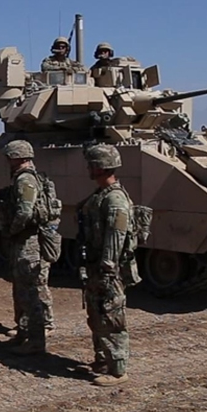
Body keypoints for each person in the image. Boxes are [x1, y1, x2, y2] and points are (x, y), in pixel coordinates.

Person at [78, 144, 132, 386]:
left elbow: (115, 237)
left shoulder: (114, 199)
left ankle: (118, 371)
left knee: (111, 318)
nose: (88, 169)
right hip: (95, 265)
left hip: (107, 270)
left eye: (91, 165)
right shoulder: (100, 195)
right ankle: (102, 359)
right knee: (97, 315)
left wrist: (107, 269)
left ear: (100, 167)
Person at [0, 140, 55, 355]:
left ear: (16, 157)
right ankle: (23, 332)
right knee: (21, 288)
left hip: (28, 240)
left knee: (30, 291)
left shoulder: (25, 179)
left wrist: (12, 230)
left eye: (9, 157)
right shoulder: (28, 177)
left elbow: (25, 212)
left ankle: (36, 340)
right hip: (25, 239)